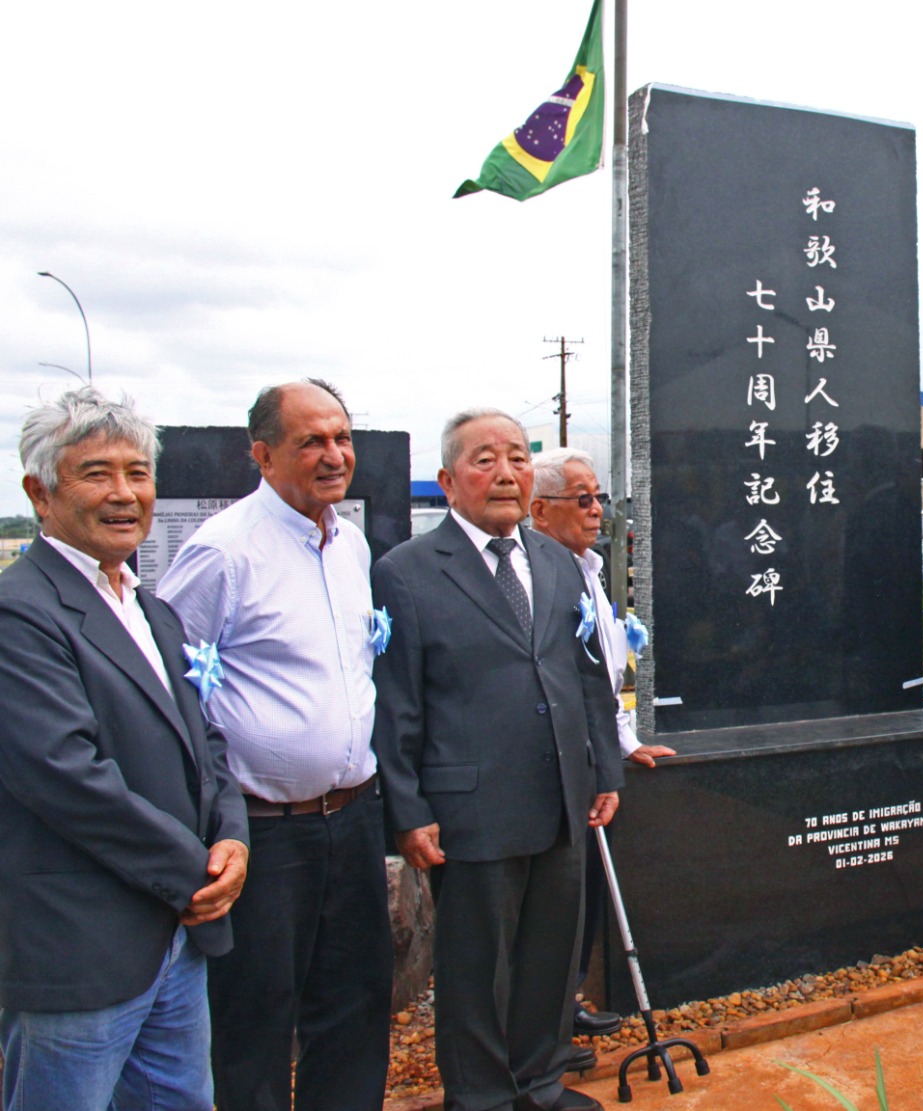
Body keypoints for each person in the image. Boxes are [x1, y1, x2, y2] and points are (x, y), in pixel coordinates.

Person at [0, 388, 248, 1110]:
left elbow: (205, 742)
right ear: (40, 493)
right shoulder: (21, 612)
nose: (123, 493)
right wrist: (197, 872)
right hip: (80, 951)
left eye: (137, 472)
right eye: (96, 473)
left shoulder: (150, 606)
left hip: (173, 940)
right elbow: (63, 774)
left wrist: (231, 834)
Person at [373, 410, 624, 1111]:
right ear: (450, 481)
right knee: (477, 973)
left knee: (549, 961)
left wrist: (604, 765)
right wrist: (408, 809)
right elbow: (396, 704)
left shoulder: (552, 558)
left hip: (560, 800)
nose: (506, 471)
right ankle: (481, 1098)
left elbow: (585, 671)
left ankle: (539, 1086)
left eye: (517, 456)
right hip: (470, 809)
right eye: (485, 459)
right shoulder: (407, 572)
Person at [159, 379, 392, 1111]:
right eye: (311, 442)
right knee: (255, 1021)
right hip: (265, 832)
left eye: (342, 437)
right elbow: (169, 685)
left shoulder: (349, 542)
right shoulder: (223, 551)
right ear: (262, 455)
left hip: (353, 817)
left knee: (354, 1008)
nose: (334, 455)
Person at [529, 447, 675, 1070]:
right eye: (582, 499)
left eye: (599, 498)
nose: (598, 512)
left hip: (594, 759)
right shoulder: (539, 575)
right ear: (539, 510)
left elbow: (603, 677)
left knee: (581, 899)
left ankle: (565, 1007)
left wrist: (625, 743)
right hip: (553, 768)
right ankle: (543, 1029)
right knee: (548, 909)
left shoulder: (589, 567)